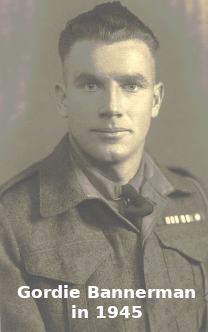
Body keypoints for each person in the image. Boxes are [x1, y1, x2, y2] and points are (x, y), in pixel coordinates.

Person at [1, 2, 208, 331]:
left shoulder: (193, 199)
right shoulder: (10, 220)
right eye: (90, 85)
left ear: (155, 100)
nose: (112, 108)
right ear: (63, 99)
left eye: (131, 86)